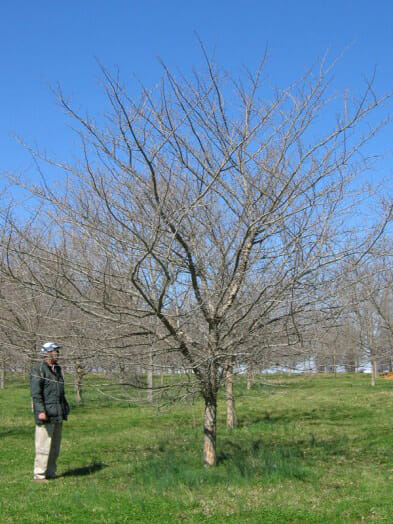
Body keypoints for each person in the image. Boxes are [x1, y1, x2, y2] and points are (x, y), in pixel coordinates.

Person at [30, 342, 70, 482]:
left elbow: (60, 392)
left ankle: (51, 472)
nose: (57, 353)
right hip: (45, 413)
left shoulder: (57, 369)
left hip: (57, 412)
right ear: (46, 353)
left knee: (55, 446)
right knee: (43, 445)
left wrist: (65, 408)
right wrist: (40, 410)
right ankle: (39, 475)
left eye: (57, 351)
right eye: (54, 351)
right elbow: (36, 393)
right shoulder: (39, 369)